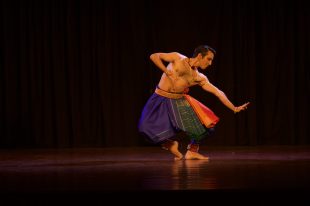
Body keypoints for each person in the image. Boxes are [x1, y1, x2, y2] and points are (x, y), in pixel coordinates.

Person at [138, 45, 250, 160]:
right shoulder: (177, 58)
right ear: (200, 56)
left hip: (178, 101)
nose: (210, 63)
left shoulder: (199, 77)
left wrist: (234, 108)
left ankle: (192, 151)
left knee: (205, 127)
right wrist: (166, 71)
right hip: (159, 97)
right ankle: (170, 144)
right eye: (209, 59)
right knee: (144, 128)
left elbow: (218, 92)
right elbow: (154, 56)